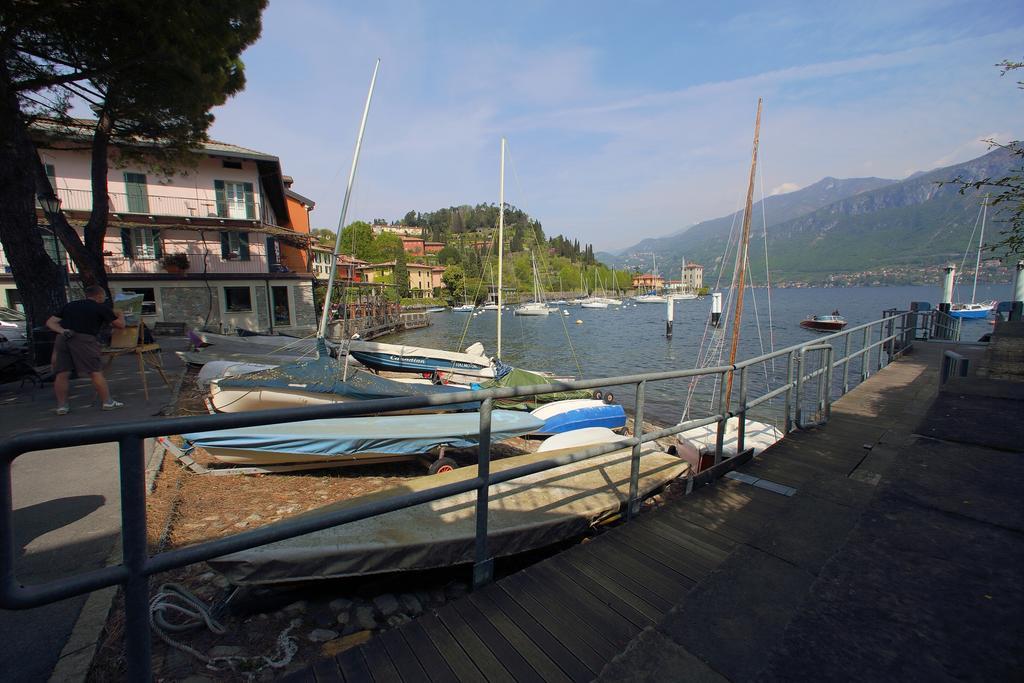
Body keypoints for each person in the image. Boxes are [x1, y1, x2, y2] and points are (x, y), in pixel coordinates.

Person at [46, 285, 126, 414]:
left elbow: (50, 322)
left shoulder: (70, 305)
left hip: (63, 337)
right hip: (84, 339)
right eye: (104, 296)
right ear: (99, 295)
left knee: (62, 373)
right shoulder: (100, 307)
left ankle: (62, 406)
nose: (104, 298)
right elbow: (120, 325)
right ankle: (107, 402)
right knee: (95, 371)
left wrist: (62, 331)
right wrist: (120, 314)